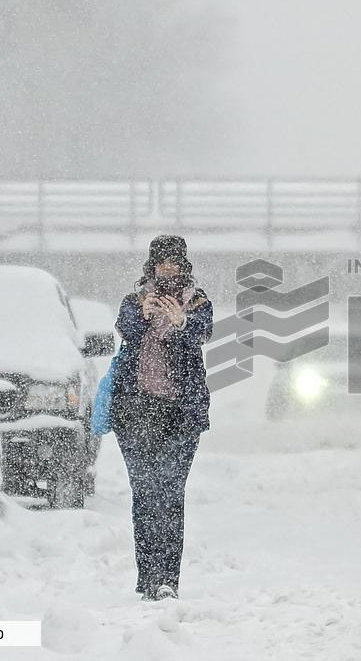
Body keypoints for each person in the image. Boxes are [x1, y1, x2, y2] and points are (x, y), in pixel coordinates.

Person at [112, 235, 213, 601]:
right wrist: (144, 314)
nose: (167, 268)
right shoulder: (133, 301)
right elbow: (126, 332)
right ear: (151, 266)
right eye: (161, 262)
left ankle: (167, 579)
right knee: (144, 495)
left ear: (183, 265)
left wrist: (181, 322)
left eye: (173, 262)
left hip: (180, 417)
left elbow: (202, 334)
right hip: (135, 413)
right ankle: (147, 578)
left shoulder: (199, 303)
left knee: (170, 494)